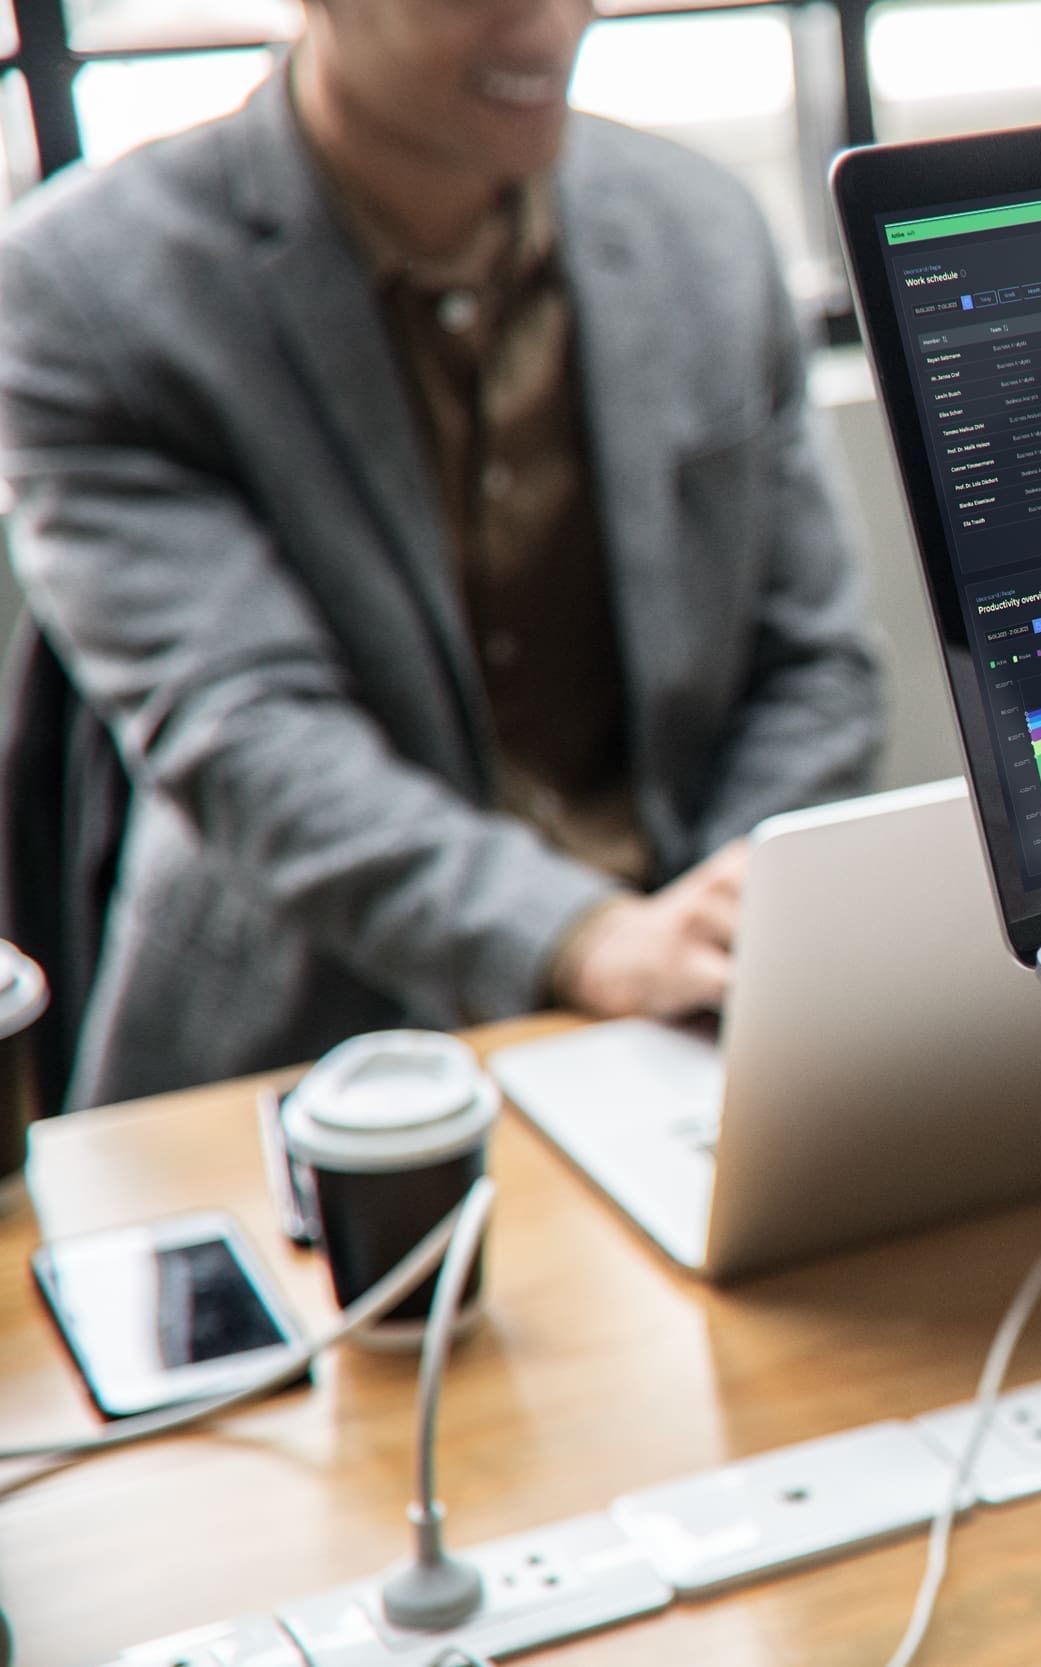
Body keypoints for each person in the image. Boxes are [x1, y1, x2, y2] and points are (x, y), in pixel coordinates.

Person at [0, 0, 881, 1108]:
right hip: (312, 1056)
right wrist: (582, 939)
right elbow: (246, 730)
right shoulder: (86, 290)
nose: (547, 25)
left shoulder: (701, 228)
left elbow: (816, 660)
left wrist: (728, 916)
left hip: (691, 1011)